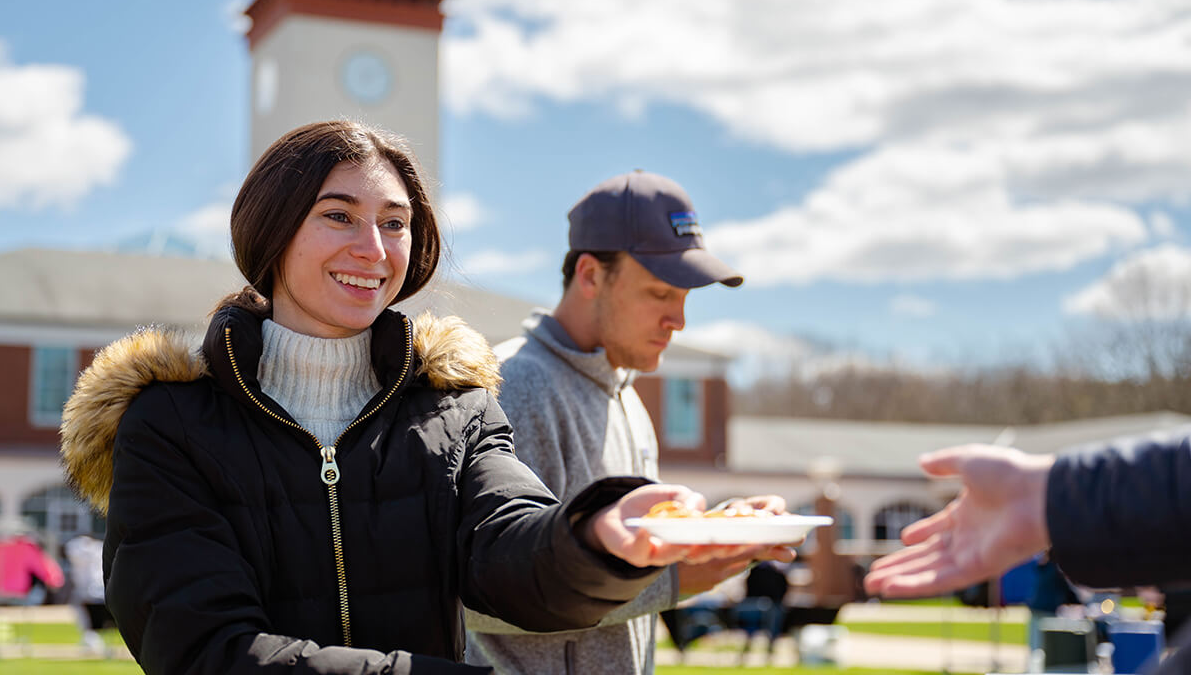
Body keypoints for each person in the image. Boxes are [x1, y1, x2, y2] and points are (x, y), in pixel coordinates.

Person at [59, 121, 770, 675]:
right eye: (338, 215)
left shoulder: (453, 407)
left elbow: (508, 548)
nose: (374, 247)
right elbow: (204, 650)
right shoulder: (170, 422)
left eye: (395, 222)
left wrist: (595, 536)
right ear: (271, 231)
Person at [465, 170, 795, 675]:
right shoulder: (514, 386)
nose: (679, 320)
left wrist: (714, 530)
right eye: (661, 293)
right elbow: (477, 598)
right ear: (591, 275)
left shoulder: (628, 396)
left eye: (687, 296)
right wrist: (677, 577)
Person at [863, 434, 1191, 673]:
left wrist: (1052, 497)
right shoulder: (1054, 560)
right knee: (1041, 652)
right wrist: (1048, 496)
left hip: (1045, 607)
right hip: (1042, 608)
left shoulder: (1054, 560)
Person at [0, 531, 64, 606]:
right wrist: (53, 584)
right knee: (40, 586)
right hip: (22, 597)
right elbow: (49, 574)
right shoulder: (27, 548)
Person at [64, 534, 111, 657]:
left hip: (90, 593)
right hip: (99, 592)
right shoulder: (98, 548)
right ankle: (91, 641)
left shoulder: (79, 550)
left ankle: (92, 641)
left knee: (90, 621)